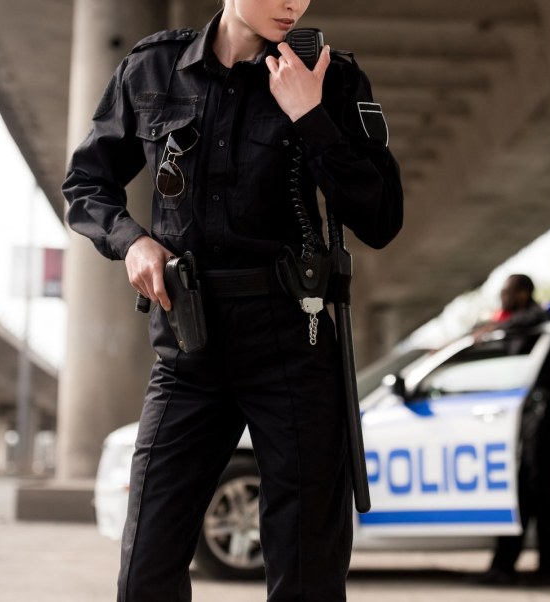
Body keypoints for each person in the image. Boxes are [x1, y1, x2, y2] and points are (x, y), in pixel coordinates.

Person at [62, 1, 403, 601]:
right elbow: (86, 184)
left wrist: (311, 115)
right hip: (188, 345)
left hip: (295, 343)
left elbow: (380, 219)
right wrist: (132, 240)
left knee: (307, 568)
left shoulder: (330, 76)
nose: (292, 3)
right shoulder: (153, 68)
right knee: (147, 563)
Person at [477, 274, 550, 586]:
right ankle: (504, 567)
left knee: (543, 492)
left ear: (523, 293)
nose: (502, 297)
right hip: (525, 414)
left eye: (507, 292)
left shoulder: (540, 320)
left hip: (547, 413)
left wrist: (493, 327)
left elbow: (537, 318)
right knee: (518, 491)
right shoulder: (516, 323)